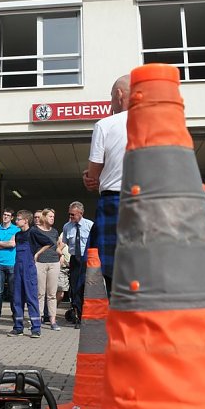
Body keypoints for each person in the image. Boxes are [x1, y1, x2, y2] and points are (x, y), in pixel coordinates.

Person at [83, 74, 129, 296]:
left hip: (116, 202)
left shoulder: (105, 124)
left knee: (114, 273)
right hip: (152, 202)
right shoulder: (160, 122)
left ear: (119, 95)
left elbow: (93, 173)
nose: (111, 103)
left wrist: (90, 177)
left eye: (112, 97)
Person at [8, 210, 42, 338]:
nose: (16, 221)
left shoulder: (33, 232)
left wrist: (37, 254)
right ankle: (18, 327)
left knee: (31, 298)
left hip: (29, 270)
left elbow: (49, 242)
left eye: (18, 219)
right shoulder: (17, 235)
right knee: (17, 299)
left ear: (26, 221)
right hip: (18, 269)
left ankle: (36, 328)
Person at [61, 201, 93, 324]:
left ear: (80, 213)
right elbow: (66, 243)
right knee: (75, 288)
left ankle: (89, 315)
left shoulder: (90, 225)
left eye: (72, 214)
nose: (70, 217)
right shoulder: (67, 226)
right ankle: (79, 316)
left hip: (87, 259)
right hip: (75, 259)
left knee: (86, 287)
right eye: (69, 214)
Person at [33, 208, 62, 331]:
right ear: (44, 217)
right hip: (40, 263)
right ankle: (38, 320)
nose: (52, 218)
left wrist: (60, 255)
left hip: (54, 263)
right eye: (50, 216)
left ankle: (53, 321)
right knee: (40, 293)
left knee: (52, 294)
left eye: (53, 217)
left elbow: (57, 246)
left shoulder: (55, 231)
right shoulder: (35, 231)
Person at [0, 208, 19, 324]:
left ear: (12, 218)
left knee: (13, 292)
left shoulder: (16, 229)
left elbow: (13, 244)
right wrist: (6, 244)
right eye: (4, 214)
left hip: (12, 263)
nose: (5, 217)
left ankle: (15, 315)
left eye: (8, 215)